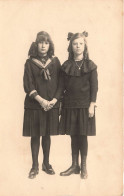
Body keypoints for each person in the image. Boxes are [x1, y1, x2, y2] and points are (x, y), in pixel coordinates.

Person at [59, 31, 98, 179]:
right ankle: (74, 165)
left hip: (84, 106)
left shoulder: (91, 66)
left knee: (82, 136)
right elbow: (61, 87)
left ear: (85, 46)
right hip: (69, 105)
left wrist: (92, 104)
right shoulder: (66, 65)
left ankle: (83, 167)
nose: (78, 46)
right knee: (73, 136)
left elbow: (94, 87)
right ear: (71, 46)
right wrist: (61, 104)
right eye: (75, 44)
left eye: (80, 44)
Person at [23, 31, 62, 179]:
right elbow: (28, 85)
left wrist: (54, 100)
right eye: (40, 42)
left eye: (46, 42)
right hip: (35, 105)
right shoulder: (29, 63)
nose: (43, 45)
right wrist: (42, 101)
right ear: (36, 44)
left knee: (46, 135)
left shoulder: (55, 62)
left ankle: (46, 163)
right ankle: (34, 166)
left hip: (51, 104)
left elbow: (61, 83)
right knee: (35, 135)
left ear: (49, 45)